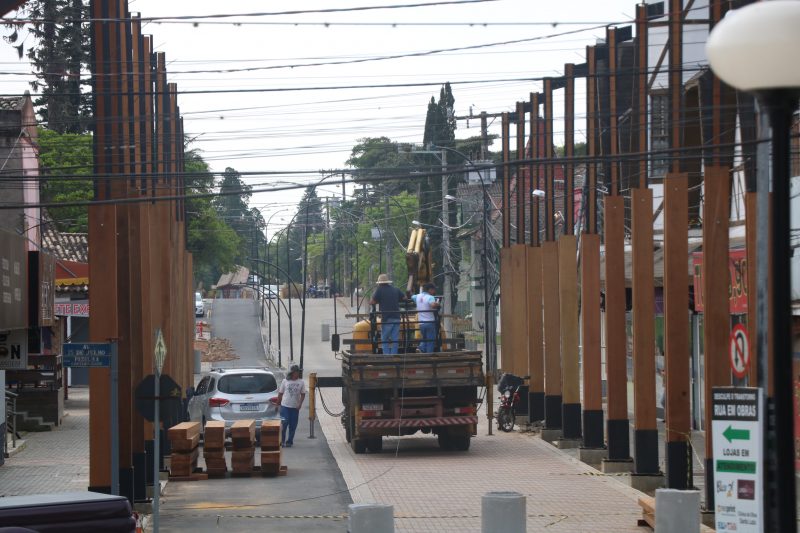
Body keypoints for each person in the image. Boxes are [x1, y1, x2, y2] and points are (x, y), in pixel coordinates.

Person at [369, 273, 404, 355]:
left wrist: (379, 300)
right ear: (387, 282)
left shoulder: (379, 289)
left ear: (380, 283)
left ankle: (387, 356)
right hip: (397, 317)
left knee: (385, 339)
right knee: (395, 339)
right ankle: (394, 355)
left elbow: (372, 302)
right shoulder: (396, 289)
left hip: (387, 318)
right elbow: (404, 297)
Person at [274, 365, 306, 447]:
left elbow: (303, 394)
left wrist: (300, 404)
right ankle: (282, 441)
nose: (297, 373)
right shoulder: (285, 381)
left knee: (293, 425)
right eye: (296, 372)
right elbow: (280, 393)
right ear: (292, 373)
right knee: (284, 423)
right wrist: (277, 404)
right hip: (285, 406)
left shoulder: (301, 382)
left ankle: (290, 441)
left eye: (298, 372)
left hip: (295, 407)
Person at [412, 282, 440, 353]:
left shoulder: (417, 296)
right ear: (430, 290)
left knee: (425, 338)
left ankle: (421, 348)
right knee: (430, 341)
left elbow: (412, 297)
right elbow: (433, 305)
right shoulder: (430, 297)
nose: (434, 291)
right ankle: (428, 355)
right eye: (433, 290)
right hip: (430, 322)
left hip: (421, 323)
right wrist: (437, 303)